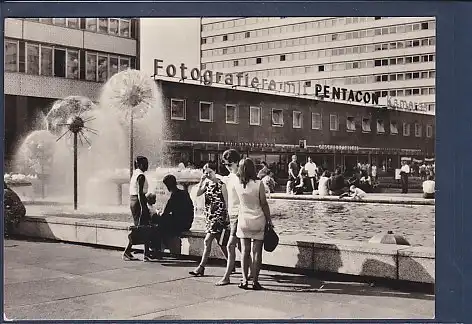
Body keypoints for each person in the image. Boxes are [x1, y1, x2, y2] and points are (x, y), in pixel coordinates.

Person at [234, 158, 273, 290]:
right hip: (258, 220)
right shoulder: (259, 184)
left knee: (245, 252)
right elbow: (264, 203)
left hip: (243, 220)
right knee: (257, 253)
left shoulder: (238, 184)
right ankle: (255, 281)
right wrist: (269, 220)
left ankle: (244, 280)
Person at [216, 149, 252, 286]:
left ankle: (227, 276)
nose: (227, 167)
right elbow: (224, 179)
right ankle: (250, 272)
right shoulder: (231, 176)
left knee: (231, 245)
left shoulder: (240, 178)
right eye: (225, 165)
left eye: (230, 164)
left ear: (237, 162)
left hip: (238, 216)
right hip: (232, 216)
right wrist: (214, 176)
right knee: (241, 247)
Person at [189, 162, 230, 276]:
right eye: (205, 172)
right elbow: (197, 193)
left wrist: (227, 218)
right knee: (221, 244)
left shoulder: (222, 184)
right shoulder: (207, 184)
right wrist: (202, 180)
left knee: (207, 240)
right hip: (210, 216)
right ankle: (230, 264)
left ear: (215, 172)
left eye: (210, 172)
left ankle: (201, 267)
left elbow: (227, 202)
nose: (208, 174)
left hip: (219, 217)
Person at [123, 156, 155, 261]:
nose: (147, 165)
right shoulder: (141, 176)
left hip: (134, 202)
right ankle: (129, 252)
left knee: (143, 227)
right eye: (145, 163)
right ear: (140, 164)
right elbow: (140, 194)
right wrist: (144, 208)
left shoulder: (135, 174)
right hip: (138, 203)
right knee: (142, 228)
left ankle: (145, 253)